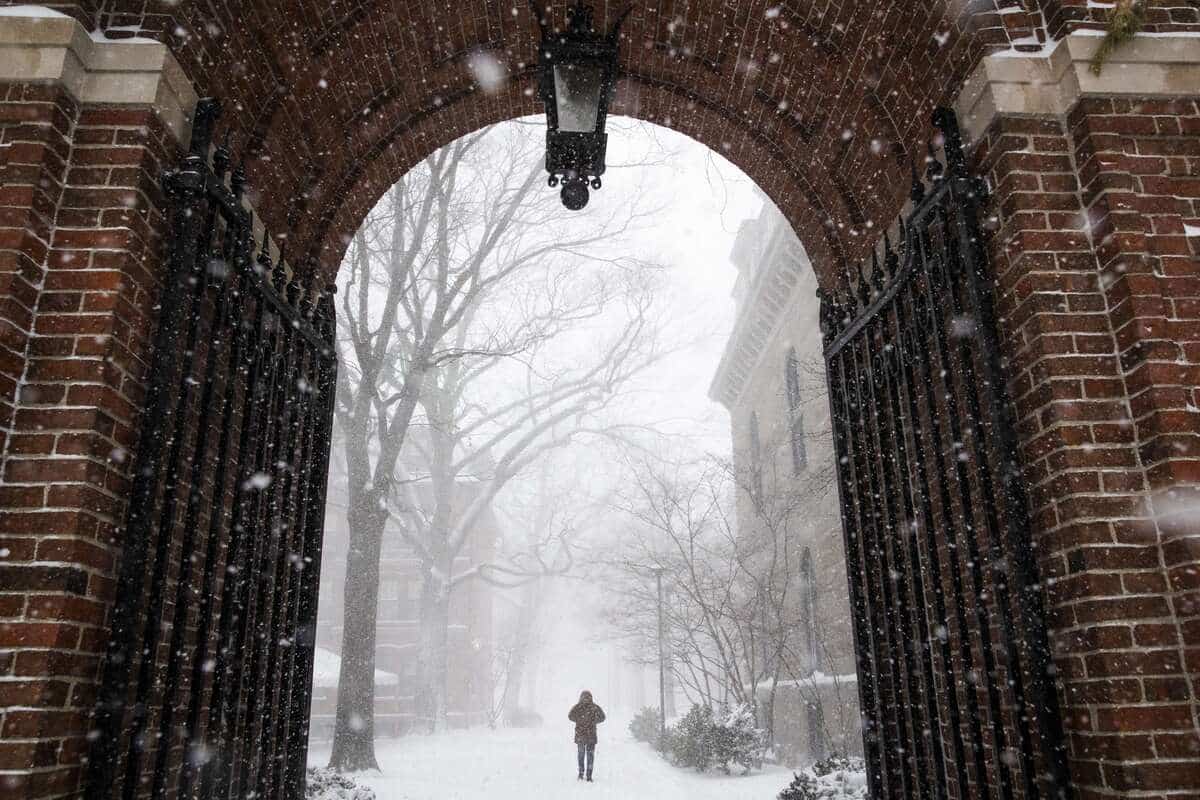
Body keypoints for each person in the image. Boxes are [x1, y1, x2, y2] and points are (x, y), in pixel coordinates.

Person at [567, 690, 606, 781]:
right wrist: (594, 721)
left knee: (581, 755)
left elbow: (570, 716)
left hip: (580, 734)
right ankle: (589, 775)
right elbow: (602, 717)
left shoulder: (578, 707)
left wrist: (579, 720)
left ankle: (581, 773)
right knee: (590, 755)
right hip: (591, 735)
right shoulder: (594, 707)